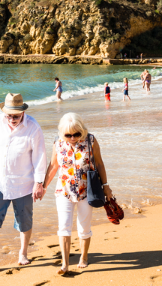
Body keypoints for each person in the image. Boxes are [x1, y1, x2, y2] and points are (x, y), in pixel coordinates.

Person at [0, 93, 47, 272]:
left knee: (24, 221)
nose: (12, 119)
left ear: (22, 112)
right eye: (9, 115)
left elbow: (40, 156)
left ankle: (23, 254)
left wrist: (39, 183)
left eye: (16, 115)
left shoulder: (33, 127)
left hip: (24, 183)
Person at [43, 113, 113, 275]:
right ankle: (65, 264)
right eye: (68, 135)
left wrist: (106, 187)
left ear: (82, 130)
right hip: (64, 191)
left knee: (84, 226)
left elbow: (100, 164)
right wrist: (43, 186)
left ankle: (84, 256)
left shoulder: (91, 140)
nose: (73, 138)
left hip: (86, 191)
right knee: (64, 227)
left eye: (76, 134)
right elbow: (53, 166)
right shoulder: (58, 143)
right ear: (62, 133)